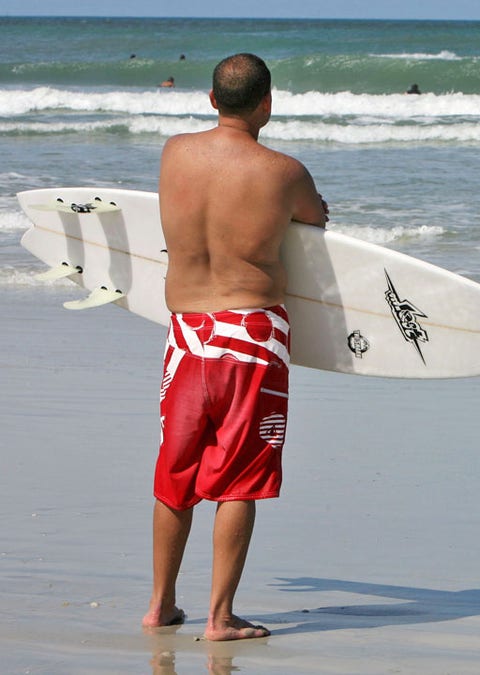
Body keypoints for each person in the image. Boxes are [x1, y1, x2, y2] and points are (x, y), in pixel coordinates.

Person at [142, 52, 327, 642]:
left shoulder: (175, 152)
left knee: (176, 472)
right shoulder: (284, 171)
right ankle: (219, 618)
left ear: (212, 100)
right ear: (267, 104)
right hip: (252, 338)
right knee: (240, 478)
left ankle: (160, 605)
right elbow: (315, 221)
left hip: (186, 334)